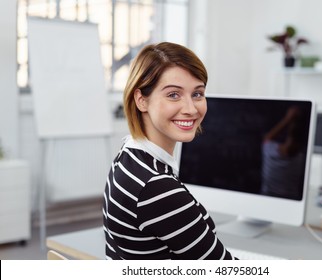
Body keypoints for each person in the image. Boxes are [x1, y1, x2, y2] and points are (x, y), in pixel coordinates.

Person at [102, 42, 235, 260]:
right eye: (173, 95)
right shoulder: (156, 188)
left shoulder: (128, 155)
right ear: (141, 100)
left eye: (198, 94)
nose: (191, 109)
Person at [260, 106, 306, 200]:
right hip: (290, 201)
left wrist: (288, 119)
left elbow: (267, 138)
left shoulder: (270, 151)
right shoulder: (301, 159)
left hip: (266, 198)